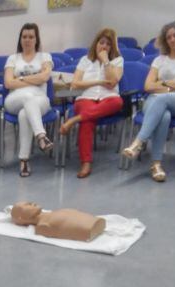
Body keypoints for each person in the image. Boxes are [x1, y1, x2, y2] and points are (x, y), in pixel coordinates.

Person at [121, 20, 175, 182]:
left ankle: (138, 142)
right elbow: (148, 86)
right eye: (168, 37)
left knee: (162, 100)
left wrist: (164, 83)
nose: (172, 39)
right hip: (155, 100)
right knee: (164, 116)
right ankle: (156, 165)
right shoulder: (159, 60)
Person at [60, 28, 124, 179]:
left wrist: (105, 61)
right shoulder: (85, 60)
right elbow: (75, 84)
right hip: (86, 98)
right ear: (95, 43)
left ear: (112, 47)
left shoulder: (117, 61)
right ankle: (86, 163)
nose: (104, 46)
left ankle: (75, 119)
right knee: (87, 121)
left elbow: (113, 82)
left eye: (108, 44)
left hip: (108, 98)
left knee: (118, 102)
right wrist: (99, 81)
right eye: (101, 42)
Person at [3, 23, 55, 177]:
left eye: (31, 37)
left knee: (25, 114)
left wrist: (20, 78)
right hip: (14, 99)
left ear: (36, 39)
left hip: (41, 100)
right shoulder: (13, 58)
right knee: (27, 97)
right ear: (20, 39)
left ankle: (24, 160)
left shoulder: (45, 57)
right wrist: (35, 79)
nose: (27, 40)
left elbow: (45, 77)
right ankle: (41, 136)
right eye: (24, 36)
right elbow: (8, 83)